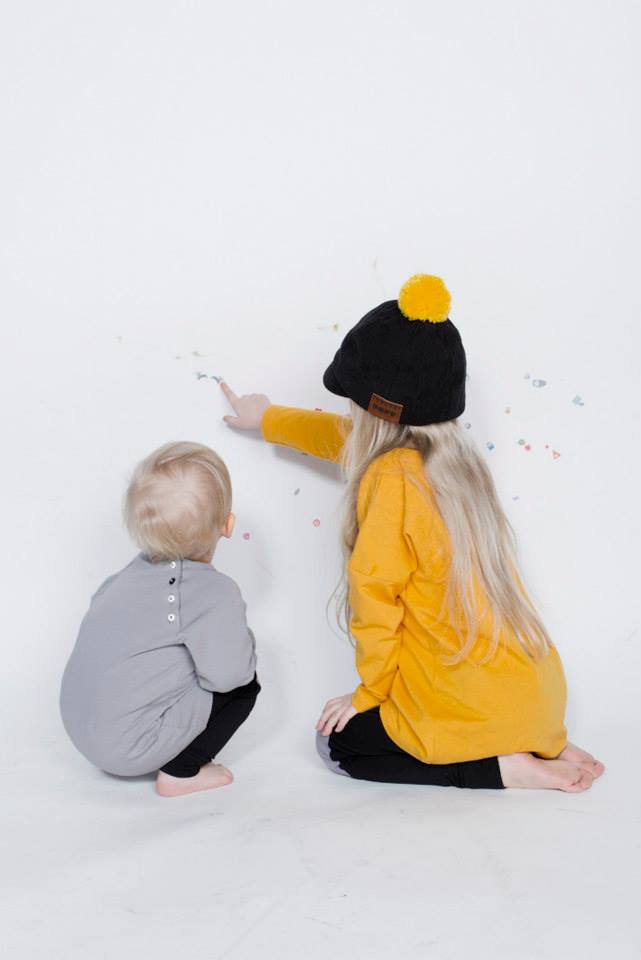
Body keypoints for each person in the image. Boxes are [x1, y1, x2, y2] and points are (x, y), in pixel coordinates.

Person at [220, 273, 604, 792]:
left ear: (374, 407)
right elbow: (350, 440)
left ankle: (501, 768)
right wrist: (268, 419)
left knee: (338, 746)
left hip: (470, 706)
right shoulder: (457, 465)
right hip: (540, 701)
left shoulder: (391, 479)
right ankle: (538, 742)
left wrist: (370, 693)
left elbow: (375, 602)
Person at [60, 442, 260, 798]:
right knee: (244, 687)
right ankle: (181, 771)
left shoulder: (126, 575)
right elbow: (231, 675)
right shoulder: (214, 591)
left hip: (80, 730)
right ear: (227, 525)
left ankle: (149, 738)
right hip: (126, 749)